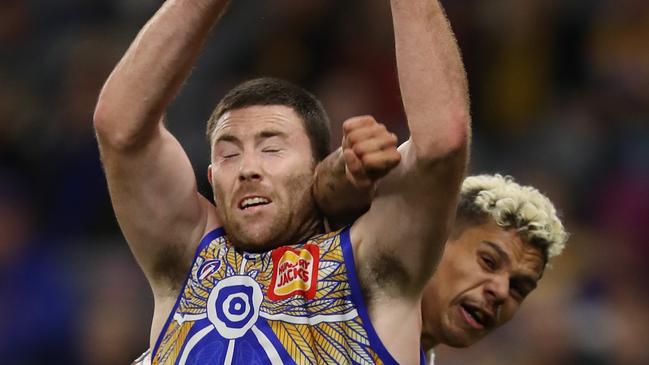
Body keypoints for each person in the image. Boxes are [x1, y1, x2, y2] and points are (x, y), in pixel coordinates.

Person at [94, 0, 470, 364]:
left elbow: (442, 144)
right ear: (211, 178)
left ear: (317, 169)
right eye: (229, 154)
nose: (248, 168)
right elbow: (121, 129)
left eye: (271, 149)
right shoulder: (189, 260)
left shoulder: (370, 265)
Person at [312, 149, 568, 364]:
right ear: (436, 242)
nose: (501, 291)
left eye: (518, 288)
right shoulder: (335, 286)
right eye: (488, 262)